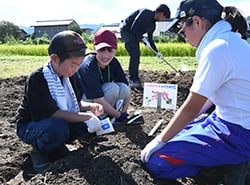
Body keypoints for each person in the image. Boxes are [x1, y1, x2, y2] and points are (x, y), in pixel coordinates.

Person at [141, 0, 250, 185]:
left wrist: (159, 141)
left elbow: (192, 107)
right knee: (174, 136)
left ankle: (219, 169)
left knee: (157, 161)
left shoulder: (218, 49)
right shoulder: (229, 41)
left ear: (198, 22)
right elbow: (205, 99)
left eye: (183, 29)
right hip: (226, 121)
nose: (183, 35)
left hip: (237, 133)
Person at [15, 30, 104, 173]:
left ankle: (56, 146)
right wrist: (86, 116)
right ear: (55, 58)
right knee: (58, 128)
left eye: (78, 65)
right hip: (31, 125)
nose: (75, 69)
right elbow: (51, 113)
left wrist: (91, 107)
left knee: (81, 127)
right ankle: (39, 151)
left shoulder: (69, 76)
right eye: (72, 64)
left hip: (55, 121)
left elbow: (76, 104)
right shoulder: (38, 78)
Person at [74, 29, 131, 123]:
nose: (106, 55)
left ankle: (109, 115)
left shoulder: (114, 62)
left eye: (110, 50)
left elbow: (128, 89)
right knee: (112, 88)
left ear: (115, 50)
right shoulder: (88, 65)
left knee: (124, 88)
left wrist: (124, 111)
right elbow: (97, 99)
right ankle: (100, 118)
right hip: (84, 103)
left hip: (100, 99)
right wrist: (119, 116)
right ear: (95, 48)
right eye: (101, 49)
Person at [120, 4, 170, 91]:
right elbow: (133, 27)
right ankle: (132, 79)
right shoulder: (145, 13)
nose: (163, 20)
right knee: (135, 53)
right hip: (126, 29)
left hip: (134, 34)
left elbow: (150, 39)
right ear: (161, 13)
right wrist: (143, 39)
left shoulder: (152, 25)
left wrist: (157, 52)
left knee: (136, 54)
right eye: (164, 18)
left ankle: (135, 78)